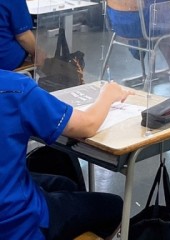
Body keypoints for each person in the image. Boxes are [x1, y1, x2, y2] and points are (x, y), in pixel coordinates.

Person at [0, 70, 130, 240]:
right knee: (114, 206)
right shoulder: (15, 89)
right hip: (17, 224)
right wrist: (108, 94)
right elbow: (88, 125)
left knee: (65, 183)